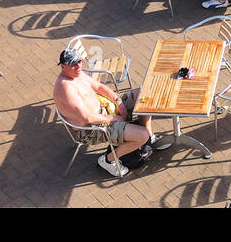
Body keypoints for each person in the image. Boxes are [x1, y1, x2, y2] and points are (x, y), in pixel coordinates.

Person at [53, 40, 168, 178]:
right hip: (91, 128)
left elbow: (99, 87)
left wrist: (118, 102)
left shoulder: (77, 73)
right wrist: (114, 118)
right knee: (141, 135)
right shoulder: (65, 88)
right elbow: (86, 118)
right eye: (73, 64)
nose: (78, 65)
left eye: (79, 61)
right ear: (63, 67)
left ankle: (150, 138)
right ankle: (108, 160)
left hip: (105, 109)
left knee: (144, 95)